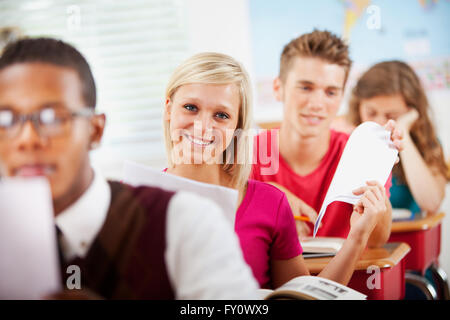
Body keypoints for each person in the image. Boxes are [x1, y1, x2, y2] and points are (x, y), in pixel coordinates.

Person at [0, 37, 259, 299]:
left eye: (53, 118)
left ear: (95, 129)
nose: (27, 139)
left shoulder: (185, 223)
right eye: (6, 119)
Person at [163, 51, 391, 289]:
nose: (203, 126)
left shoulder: (270, 203)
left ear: (237, 126)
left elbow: (301, 297)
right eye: (190, 107)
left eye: (221, 115)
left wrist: (357, 238)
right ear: (169, 109)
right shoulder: (134, 199)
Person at [251, 30, 403, 247]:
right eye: (305, 87)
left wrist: (377, 169)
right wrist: (269, 195)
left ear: (341, 96)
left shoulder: (360, 153)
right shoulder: (248, 153)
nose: (317, 104)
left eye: (331, 92)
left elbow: (377, 241)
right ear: (278, 88)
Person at [344, 60, 448, 215]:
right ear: (358, 106)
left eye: (391, 115)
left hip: (406, 235)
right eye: (371, 113)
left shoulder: (428, 143)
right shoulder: (346, 136)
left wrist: (403, 132)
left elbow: (431, 203)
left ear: (411, 112)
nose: (379, 122)